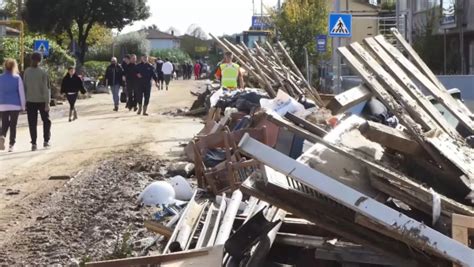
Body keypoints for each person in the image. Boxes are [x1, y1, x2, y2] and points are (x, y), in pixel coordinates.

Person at [23, 52, 51, 151]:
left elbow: (24, 87)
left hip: (30, 101)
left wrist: (24, 102)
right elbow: (46, 89)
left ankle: (34, 143)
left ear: (31, 59)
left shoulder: (27, 71)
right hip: (42, 101)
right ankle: (46, 141)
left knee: (32, 123)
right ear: (40, 60)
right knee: (46, 121)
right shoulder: (43, 72)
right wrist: (47, 103)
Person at [0, 59, 25, 152]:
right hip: (15, 105)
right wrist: (23, 106)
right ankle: (11, 145)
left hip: (2, 104)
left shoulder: (0, 77)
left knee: (4, 123)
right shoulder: (17, 78)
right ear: (14, 66)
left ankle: (2, 136)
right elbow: (21, 93)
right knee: (13, 125)